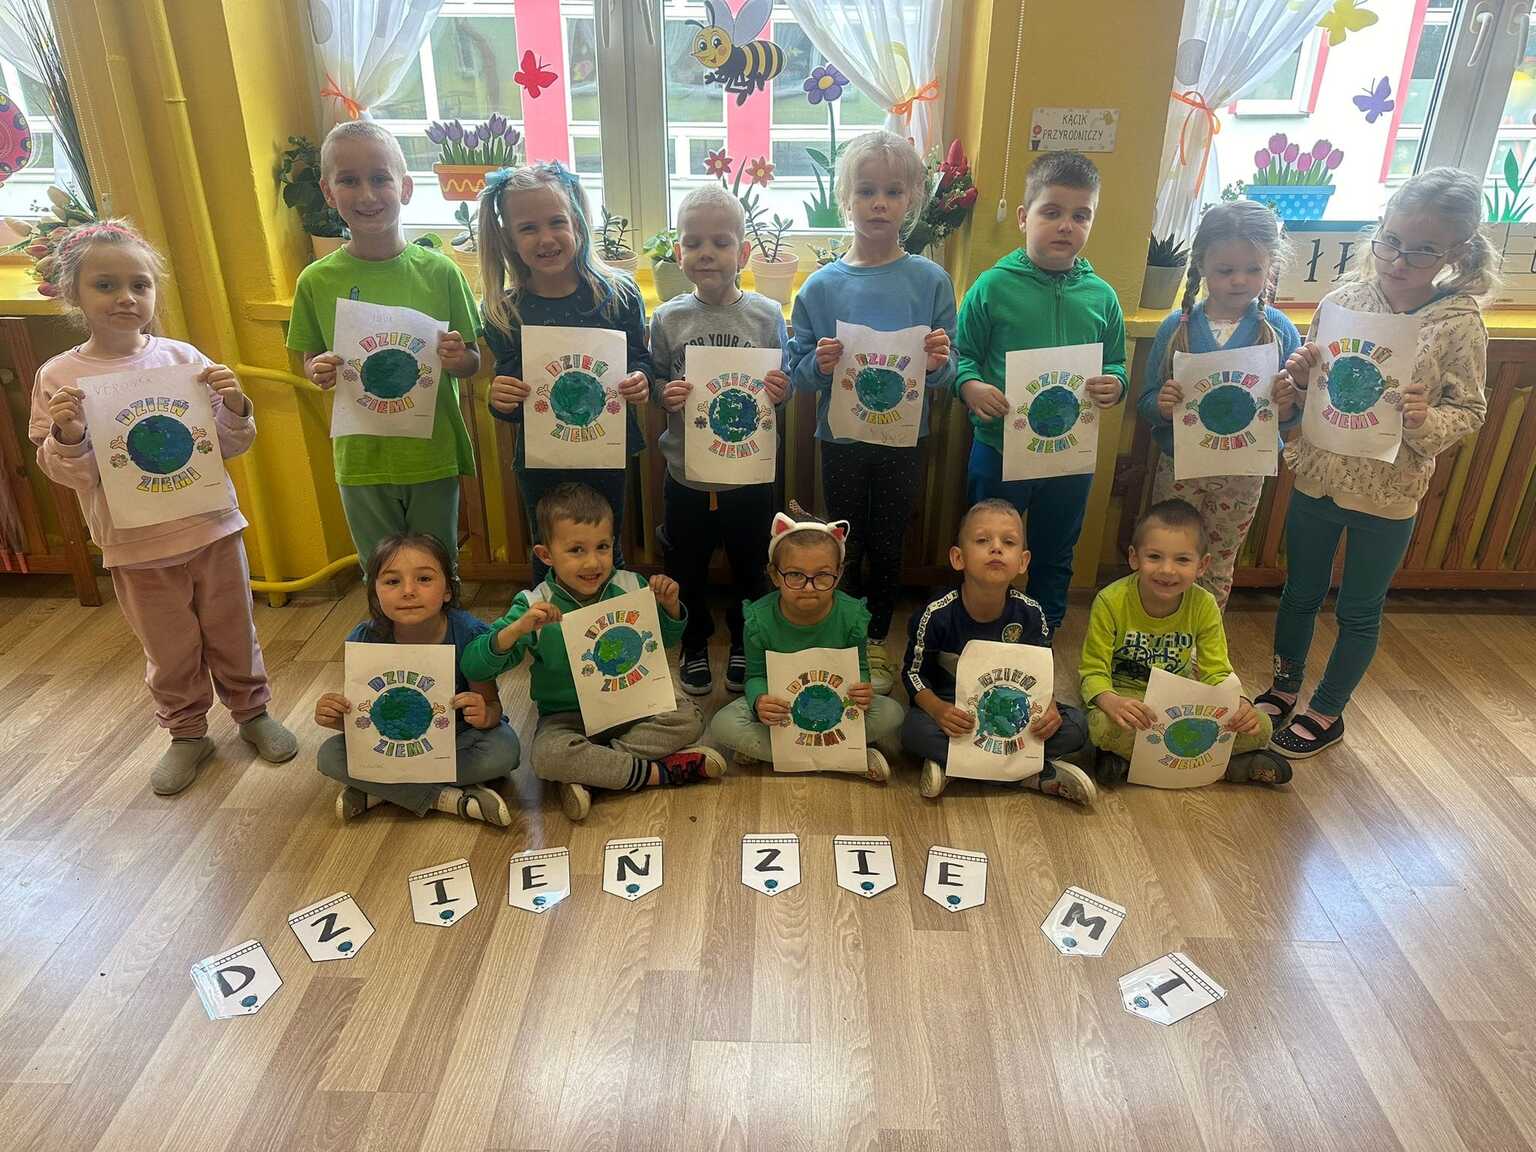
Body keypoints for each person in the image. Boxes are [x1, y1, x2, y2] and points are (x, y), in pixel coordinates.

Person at [28, 219, 297, 795]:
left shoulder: (182, 358)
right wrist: (69, 435)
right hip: (135, 543)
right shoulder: (60, 376)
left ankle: (253, 713)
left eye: (140, 284)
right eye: (105, 285)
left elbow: (224, 446)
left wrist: (235, 406)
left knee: (233, 629)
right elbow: (70, 474)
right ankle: (187, 733)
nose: (126, 297)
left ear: (154, 292)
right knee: (170, 647)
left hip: (211, 527)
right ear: (73, 293)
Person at [1258, 168, 1492, 758]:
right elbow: (1314, 385)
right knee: (1299, 592)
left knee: (1359, 609)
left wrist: (1424, 420)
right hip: (1319, 475)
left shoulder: (1459, 323)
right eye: (1390, 241)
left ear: (1456, 252)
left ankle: (1327, 709)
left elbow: (1469, 409)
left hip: (1389, 491)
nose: (1398, 260)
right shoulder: (1344, 301)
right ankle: (1284, 687)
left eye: (1422, 250)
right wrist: (1299, 378)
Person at [785, 129, 957, 694]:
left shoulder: (930, 281)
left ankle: (877, 636)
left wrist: (939, 364)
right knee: (843, 538)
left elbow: (949, 369)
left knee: (887, 542)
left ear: (912, 200)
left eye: (893, 191)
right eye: (866, 191)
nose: (879, 203)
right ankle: (840, 631)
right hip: (841, 440)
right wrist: (819, 365)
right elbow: (797, 371)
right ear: (846, 199)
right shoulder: (820, 286)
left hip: (904, 442)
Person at [462, 482, 722, 822]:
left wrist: (671, 608)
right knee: (546, 756)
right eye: (576, 550)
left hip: (631, 707)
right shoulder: (534, 604)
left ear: (614, 543)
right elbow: (474, 664)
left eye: (602, 547)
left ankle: (593, 776)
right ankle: (657, 772)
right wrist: (516, 630)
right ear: (545, 555)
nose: (592, 562)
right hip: (568, 718)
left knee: (690, 716)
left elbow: (664, 641)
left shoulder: (630, 585)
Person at [287, 120, 482, 570]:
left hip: (430, 452)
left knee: (437, 568)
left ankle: (442, 619)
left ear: (405, 188)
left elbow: (473, 360)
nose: (367, 194)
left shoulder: (441, 273)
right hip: (360, 459)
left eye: (380, 178)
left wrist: (459, 358)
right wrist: (317, 370)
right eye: (348, 181)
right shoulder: (316, 281)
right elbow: (309, 360)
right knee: (379, 571)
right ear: (328, 192)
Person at [954, 150, 1127, 630]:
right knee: (987, 547)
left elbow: (1116, 360)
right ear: (1023, 217)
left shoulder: (1102, 296)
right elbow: (960, 356)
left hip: (1069, 455)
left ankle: (1042, 635)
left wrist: (1116, 382)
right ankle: (980, 629)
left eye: (1081, 215)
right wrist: (970, 386)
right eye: (1051, 212)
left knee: (1056, 548)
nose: (1066, 226)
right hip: (999, 449)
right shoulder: (991, 287)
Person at [479, 162, 652, 583]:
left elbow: (640, 359)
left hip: (606, 453)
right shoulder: (504, 310)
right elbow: (511, 394)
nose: (546, 238)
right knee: (549, 552)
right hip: (542, 462)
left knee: (606, 547)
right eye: (528, 228)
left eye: (556, 221)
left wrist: (641, 381)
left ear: (576, 221)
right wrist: (498, 398)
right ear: (508, 237)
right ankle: (549, 624)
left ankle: (612, 623)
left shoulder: (618, 294)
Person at [651, 185, 791, 697]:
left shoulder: (767, 315)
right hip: (686, 474)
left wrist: (781, 392)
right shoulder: (667, 318)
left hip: (748, 476)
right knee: (686, 568)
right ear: (678, 252)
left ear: (744, 252)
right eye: (693, 243)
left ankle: (744, 644)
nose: (706, 253)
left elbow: (782, 386)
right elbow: (656, 381)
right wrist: (664, 394)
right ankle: (693, 643)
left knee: (752, 568)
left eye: (720, 242)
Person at [1138, 200, 1302, 607]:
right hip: (1181, 468)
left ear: (1271, 267)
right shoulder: (1177, 326)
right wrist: (1162, 404)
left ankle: (1202, 639)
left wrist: (1286, 405)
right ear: (1202, 265)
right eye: (1225, 270)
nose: (1239, 281)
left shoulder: (1279, 330)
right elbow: (1146, 400)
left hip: (1242, 474)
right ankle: (1157, 630)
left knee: (1218, 563)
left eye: (1253, 270)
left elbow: (1288, 414)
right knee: (1165, 556)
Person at [1080, 499, 1291, 787]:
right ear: (1134, 558)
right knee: (1100, 726)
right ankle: (1227, 766)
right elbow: (1093, 672)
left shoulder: (1204, 604)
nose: (1167, 570)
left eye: (1182, 560)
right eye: (1154, 557)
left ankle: (1128, 763)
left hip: (1180, 703)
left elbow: (1217, 671)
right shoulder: (1110, 601)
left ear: (1202, 565)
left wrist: (1240, 704)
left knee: (1261, 726)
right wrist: (1112, 701)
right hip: (1127, 698)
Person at [313, 533, 520, 824]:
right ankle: (450, 800)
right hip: (391, 746)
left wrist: (484, 715)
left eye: (424, 579)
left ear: (448, 590)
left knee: (504, 750)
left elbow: (493, 708)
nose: (408, 591)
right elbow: (360, 720)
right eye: (392, 581)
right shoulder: (365, 640)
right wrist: (335, 716)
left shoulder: (469, 634)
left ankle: (381, 790)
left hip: (458, 739)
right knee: (329, 755)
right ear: (375, 592)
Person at [901, 498, 1094, 804]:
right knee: (913, 731)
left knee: (1076, 726)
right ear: (958, 558)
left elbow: (1042, 675)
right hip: (956, 710)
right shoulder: (935, 614)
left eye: (1009, 542)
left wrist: (1049, 708)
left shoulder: (1031, 614)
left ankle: (958, 767)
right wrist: (938, 710)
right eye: (982, 540)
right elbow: (913, 675)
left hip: (1012, 713)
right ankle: (1032, 775)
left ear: (1023, 562)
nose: (996, 548)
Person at [708, 508, 905, 780]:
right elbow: (755, 675)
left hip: (833, 709)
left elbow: (860, 667)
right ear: (775, 575)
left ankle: (775, 752)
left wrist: (862, 688)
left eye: (822, 575)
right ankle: (847, 757)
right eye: (795, 575)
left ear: (838, 573)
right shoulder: (759, 621)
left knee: (892, 712)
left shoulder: (851, 617)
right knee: (723, 724)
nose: (809, 587)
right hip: (784, 711)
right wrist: (760, 701)